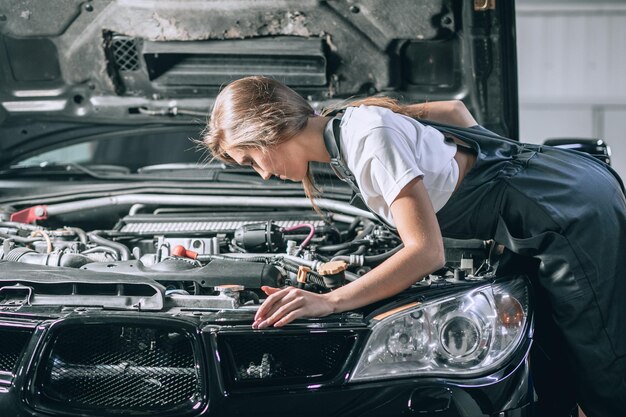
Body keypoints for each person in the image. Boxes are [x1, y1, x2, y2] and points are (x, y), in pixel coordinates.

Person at [203, 76, 626, 417]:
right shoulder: (354, 120)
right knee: (558, 358)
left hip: (566, 209)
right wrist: (470, 165)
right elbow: (455, 113)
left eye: (251, 160)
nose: (261, 175)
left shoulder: (367, 143)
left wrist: (330, 301)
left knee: (602, 362)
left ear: (266, 131)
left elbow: (426, 253)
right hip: (556, 188)